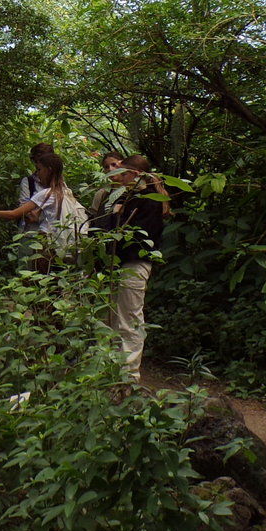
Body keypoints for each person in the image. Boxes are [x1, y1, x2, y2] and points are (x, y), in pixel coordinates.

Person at [102, 154, 165, 378]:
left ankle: (128, 377)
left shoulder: (149, 200)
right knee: (114, 319)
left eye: (124, 173)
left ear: (136, 175)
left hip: (134, 264)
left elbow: (139, 237)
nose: (119, 177)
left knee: (129, 320)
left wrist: (118, 227)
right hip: (119, 264)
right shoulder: (128, 198)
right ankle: (114, 371)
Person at [0, 151, 78, 272]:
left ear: (49, 170)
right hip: (63, 245)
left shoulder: (46, 194)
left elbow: (14, 214)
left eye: (39, 169)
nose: (37, 174)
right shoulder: (66, 192)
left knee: (41, 278)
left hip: (46, 245)